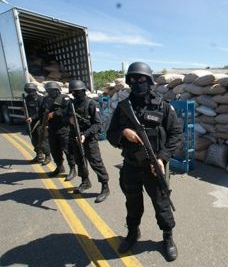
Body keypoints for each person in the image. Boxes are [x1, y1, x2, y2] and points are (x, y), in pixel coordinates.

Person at [107, 62, 183, 261]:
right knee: (132, 203)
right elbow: (110, 133)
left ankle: (167, 237)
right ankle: (133, 233)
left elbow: (176, 134)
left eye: (141, 79)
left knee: (162, 204)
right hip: (131, 165)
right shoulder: (124, 108)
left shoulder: (163, 106)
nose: (137, 82)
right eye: (133, 79)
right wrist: (124, 132)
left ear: (149, 81)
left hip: (154, 166)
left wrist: (162, 158)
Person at [67, 80, 110, 203]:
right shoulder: (72, 104)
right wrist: (69, 120)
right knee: (79, 161)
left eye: (77, 92)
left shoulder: (92, 104)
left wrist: (85, 134)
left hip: (89, 139)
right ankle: (85, 182)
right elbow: (65, 117)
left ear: (83, 91)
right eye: (73, 92)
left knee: (96, 163)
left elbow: (97, 124)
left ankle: (105, 187)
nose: (75, 94)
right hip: (75, 137)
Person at [41, 81, 77, 178]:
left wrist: (55, 113)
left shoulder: (65, 98)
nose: (50, 93)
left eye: (52, 91)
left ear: (57, 90)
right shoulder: (46, 99)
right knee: (55, 150)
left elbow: (69, 112)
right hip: (52, 129)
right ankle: (59, 167)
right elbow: (42, 111)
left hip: (63, 129)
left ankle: (72, 169)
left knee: (68, 150)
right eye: (48, 91)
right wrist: (43, 124)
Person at [24, 83, 51, 165]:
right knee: (34, 140)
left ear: (35, 90)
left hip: (40, 123)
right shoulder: (27, 99)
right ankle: (39, 155)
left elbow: (42, 112)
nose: (30, 93)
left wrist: (32, 117)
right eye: (28, 91)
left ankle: (47, 156)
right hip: (30, 123)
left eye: (31, 91)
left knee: (42, 140)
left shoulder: (41, 99)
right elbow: (27, 110)